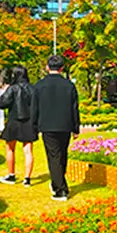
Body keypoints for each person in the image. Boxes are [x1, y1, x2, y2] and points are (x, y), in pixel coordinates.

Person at [35, 55, 81, 201]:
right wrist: (76, 127)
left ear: (47, 67)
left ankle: (60, 189)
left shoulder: (39, 86)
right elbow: (75, 108)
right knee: (62, 155)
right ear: (62, 68)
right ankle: (58, 183)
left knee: (54, 156)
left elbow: (34, 108)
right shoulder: (69, 86)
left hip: (48, 125)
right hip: (65, 125)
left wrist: (34, 126)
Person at [0, 65, 37, 186]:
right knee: (28, 150)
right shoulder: (33, 88)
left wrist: (4, 91)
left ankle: (11, 175)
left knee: (10, 148)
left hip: (14, 121)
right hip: (29, 121)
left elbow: (1, 103)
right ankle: (27, 179)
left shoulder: (13, 88)